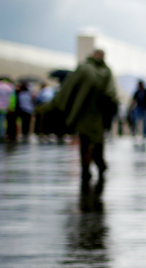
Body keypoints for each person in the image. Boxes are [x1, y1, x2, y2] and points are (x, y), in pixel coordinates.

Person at [42, 49, 118, 188]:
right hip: (91, 113)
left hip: (89, 113)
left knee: (90, 141)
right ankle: (92, 167)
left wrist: (55, 105)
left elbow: (68, 88)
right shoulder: (99, 71)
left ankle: (92, 167)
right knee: (93, 141)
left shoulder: (90, 70)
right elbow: (111, 94)